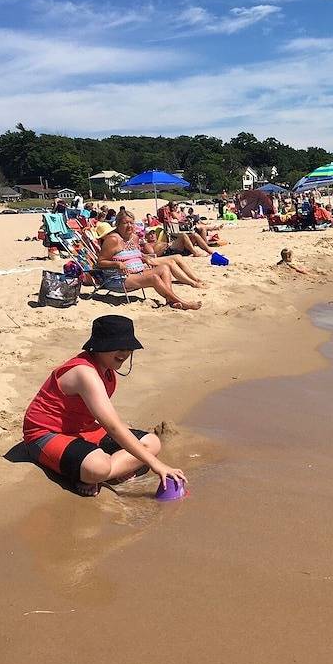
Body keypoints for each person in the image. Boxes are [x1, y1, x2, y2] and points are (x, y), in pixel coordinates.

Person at [22, 315, 188, 496]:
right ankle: (96, 473)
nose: (124, 353)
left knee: (152, 443)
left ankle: (100, 471)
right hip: (45, 433)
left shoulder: (107, 370)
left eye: (129, 348)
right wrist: (157, 465)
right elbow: (112, 427)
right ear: (100, 346)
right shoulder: (84, 373)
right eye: (118, 347)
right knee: (98, 467)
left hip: (83, 429)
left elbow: (102, 417)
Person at [98, 212, 201, 310]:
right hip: (118, 278)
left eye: (131, 223)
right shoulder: (113, 240)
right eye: (125, 223)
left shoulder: (133, 238)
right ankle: (182, 302)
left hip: (137, 273)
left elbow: (132, 254)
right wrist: (117, 263)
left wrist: (144, 257)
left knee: (165, 267)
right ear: (118, 224)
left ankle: (170, 300)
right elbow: (101, 262)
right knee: (153, 277)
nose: (129, 226)